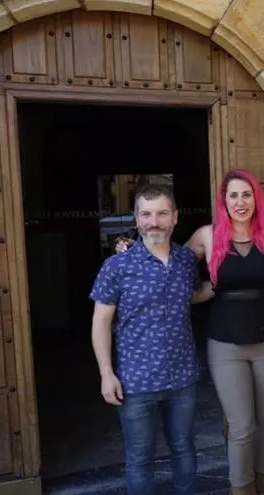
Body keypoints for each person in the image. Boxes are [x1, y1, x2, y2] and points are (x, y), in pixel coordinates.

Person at [90, 184, 213, 495]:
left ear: (175, 217)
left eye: (161, 213)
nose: (153, 222)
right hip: (135, 381)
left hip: (182, 376)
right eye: (146, 214)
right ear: (136, 218)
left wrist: (228, 283)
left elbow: (192, 295)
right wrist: (106, 373)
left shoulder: (185, 260)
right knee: (140, 459)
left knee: (184, 449)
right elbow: (101, 322)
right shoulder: (117, 266)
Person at [184, 169, 264, 495]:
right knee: (242, 425)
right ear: (224, 201)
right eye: (233, 195)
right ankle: (242, 488)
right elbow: (173, 269)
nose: (240, 202)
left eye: (246, 194)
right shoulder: (208, 235)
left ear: (255, 199)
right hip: (225, 342)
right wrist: (203, 292)